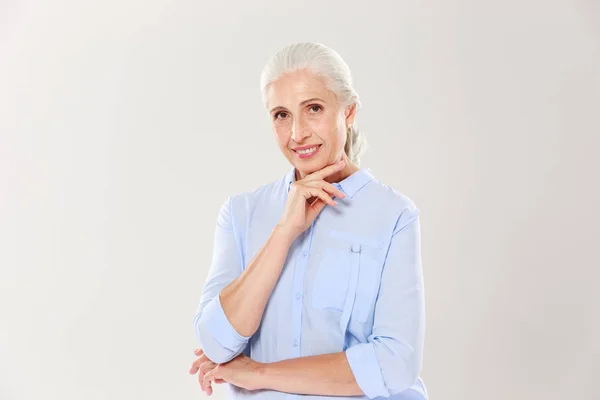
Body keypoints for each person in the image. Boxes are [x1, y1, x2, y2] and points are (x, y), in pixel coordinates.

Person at [188, 42, 428, 400]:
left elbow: (394, 364)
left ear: (348, 112)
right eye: (281, 115)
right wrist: (285, 232)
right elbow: (215, 344)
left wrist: (258, 373)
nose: (297, 133)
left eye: (313, 108)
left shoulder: (394, 216)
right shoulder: (242, 213)